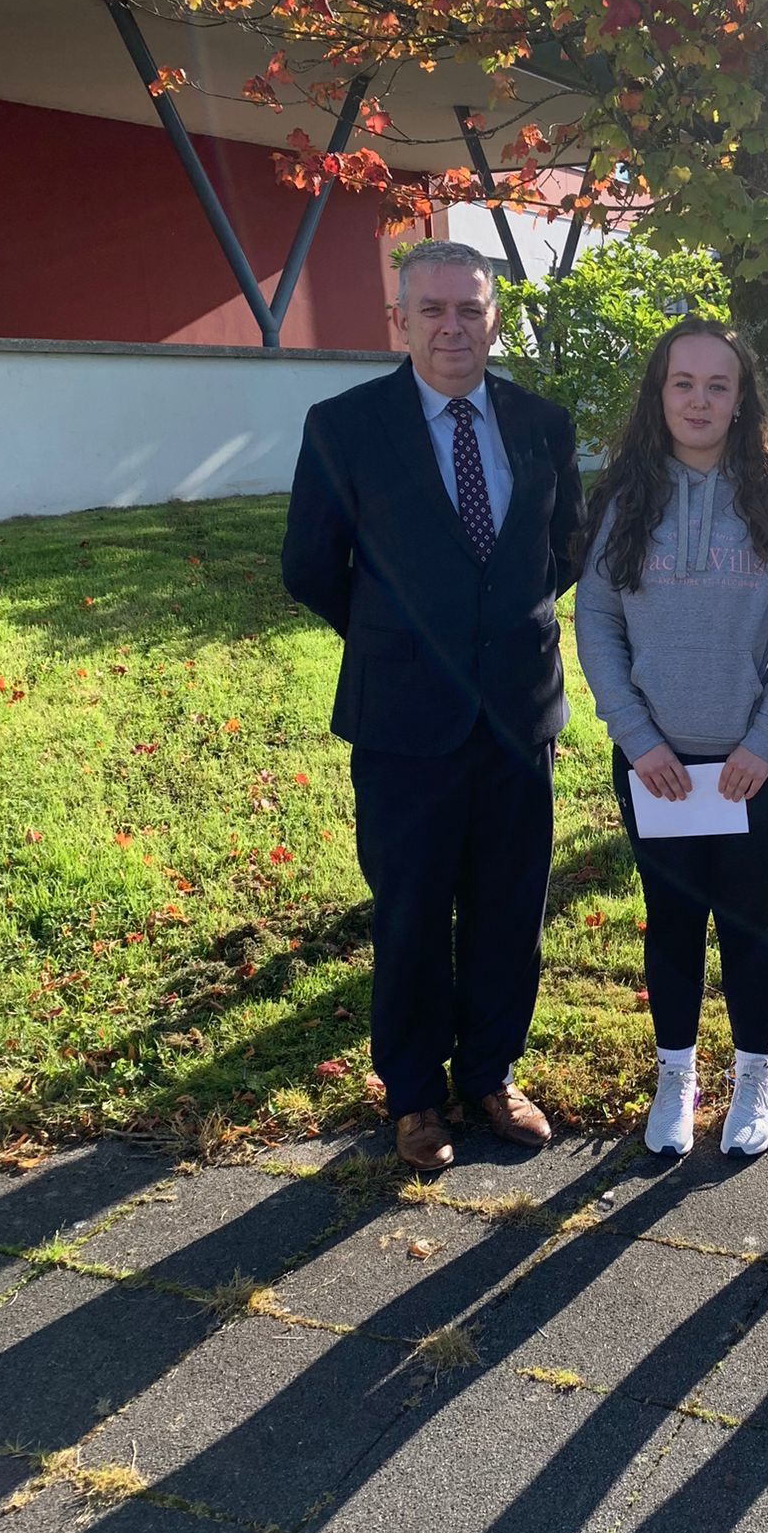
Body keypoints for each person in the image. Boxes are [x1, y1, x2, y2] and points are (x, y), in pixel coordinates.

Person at [281, 240, 585, 1173]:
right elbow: (309, 567)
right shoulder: (344, 426)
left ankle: (491, 1073)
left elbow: (563, 548)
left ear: (496, 319)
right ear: (400, 321)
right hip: (403, 718)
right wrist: (400, 638)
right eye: (434, 311)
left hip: (516, 713)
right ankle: (414, 1096)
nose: (454, 327)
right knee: (411, 913)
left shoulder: (544, 422)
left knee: (508, 907)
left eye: (472, 309)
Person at [575, 319, 768, 1161]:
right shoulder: (623, 497)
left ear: (741, 397)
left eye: (718, 385)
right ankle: (676, 1076)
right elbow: (598, 621)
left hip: (754, 764)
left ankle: (753, 1075)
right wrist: (638, 739)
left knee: (749, 918)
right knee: (673, 917)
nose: (699, 399)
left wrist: (765, 739)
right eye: (683, 383)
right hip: (658, 765)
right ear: (660, 393)